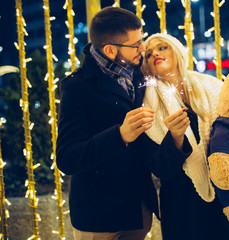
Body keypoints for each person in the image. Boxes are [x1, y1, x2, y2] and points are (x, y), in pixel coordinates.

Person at [140, 33, 229, 240]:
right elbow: (158, 167)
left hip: (227, 195)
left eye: (162, 48)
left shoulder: (211, 85)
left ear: (177, 51)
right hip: (182, 207)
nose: (155, 55)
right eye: (148, 53)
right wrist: (176, 139)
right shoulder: (148, 103)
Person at [56, 7, 158, 240]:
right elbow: (67, 158)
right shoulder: (77, 87)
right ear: (111, 50)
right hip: (99, 215)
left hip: (139, 206)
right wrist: (119, 135)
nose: (143, 49)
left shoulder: (137, 74)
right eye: (136, 45)